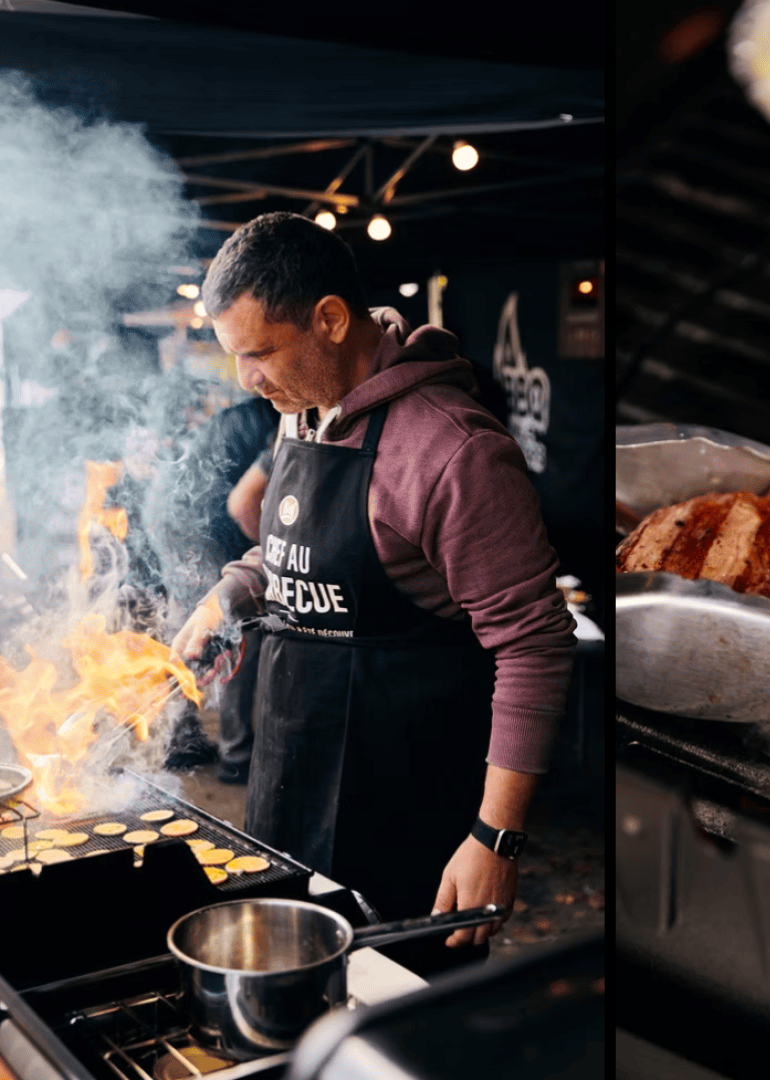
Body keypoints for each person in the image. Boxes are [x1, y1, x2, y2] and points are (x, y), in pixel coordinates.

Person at [171, 212, 576, 973]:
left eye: (257, 353)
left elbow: (534, 645)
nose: (246, 382)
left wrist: (496, 838)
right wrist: (231, 593)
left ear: (328, 319)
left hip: (404, 813)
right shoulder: (304, 409)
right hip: (286, 783)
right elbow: (292, 547)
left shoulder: (454, 451)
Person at [144, 394, 279, 784]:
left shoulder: (243, 414)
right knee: (231, 625)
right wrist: (268, 554)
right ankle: (237, 754)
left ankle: (180, 737)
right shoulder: (280, 422)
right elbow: (243, 505)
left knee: (183, 616)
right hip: (189, 520)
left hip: (164, 506)